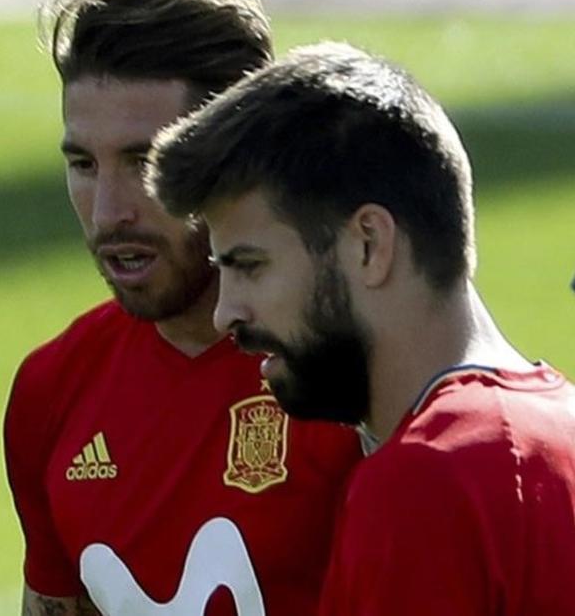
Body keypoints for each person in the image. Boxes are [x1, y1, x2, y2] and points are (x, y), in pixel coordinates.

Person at [147, 41, 575, 615]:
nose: (227, 312)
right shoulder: (557, 431)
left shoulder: (426, 483)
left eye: (249, 266)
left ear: (368, 245)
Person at [3, 0, 362, 616]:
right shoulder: (53, 391)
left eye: (146, 160)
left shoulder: (362, 380)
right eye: (83, 163)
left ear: (244, 151)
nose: (109, 211)